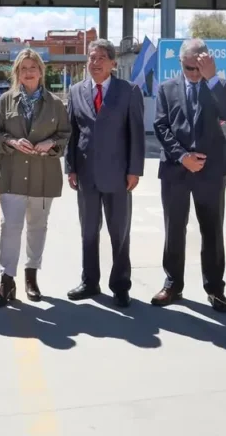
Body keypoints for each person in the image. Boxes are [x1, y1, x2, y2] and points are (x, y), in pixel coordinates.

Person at [152, 38, 226, 311]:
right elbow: (161, 126)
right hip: (176, 169)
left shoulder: (218, 85)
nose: (194, 74)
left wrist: (211, 78)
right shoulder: (166, 88)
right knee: (174, 229)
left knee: (212, 230)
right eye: (189, 68)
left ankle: (215, 288)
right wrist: (182, 156)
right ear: (181, 63)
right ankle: (172, 284)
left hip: (211, 171)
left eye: (199, 68)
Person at [65, 39, 145, 307]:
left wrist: (134, 170)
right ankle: (90, 281)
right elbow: (72, 133)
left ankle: (120, 285)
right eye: (91, 57)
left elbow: (136, 134)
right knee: (88, 231)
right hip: (86, 175)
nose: (95, 63)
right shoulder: (76, 91)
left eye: (101, 58)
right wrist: (71, 167)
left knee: (119, 232)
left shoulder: (129, 91)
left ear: (113, 63)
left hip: (119, 175)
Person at [0, 48, 71, 306]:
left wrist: (51, 143)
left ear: (40, 71)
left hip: (44, 177)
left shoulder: (55, 104)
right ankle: (7, 280)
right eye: (23, 68)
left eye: (32, 67)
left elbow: (66, 135)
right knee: (10, 228)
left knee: (37, 228)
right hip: (12, 176)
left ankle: (31, 276)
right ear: (17, 72)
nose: (28, 72)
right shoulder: (5, 101)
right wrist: (11, 141)